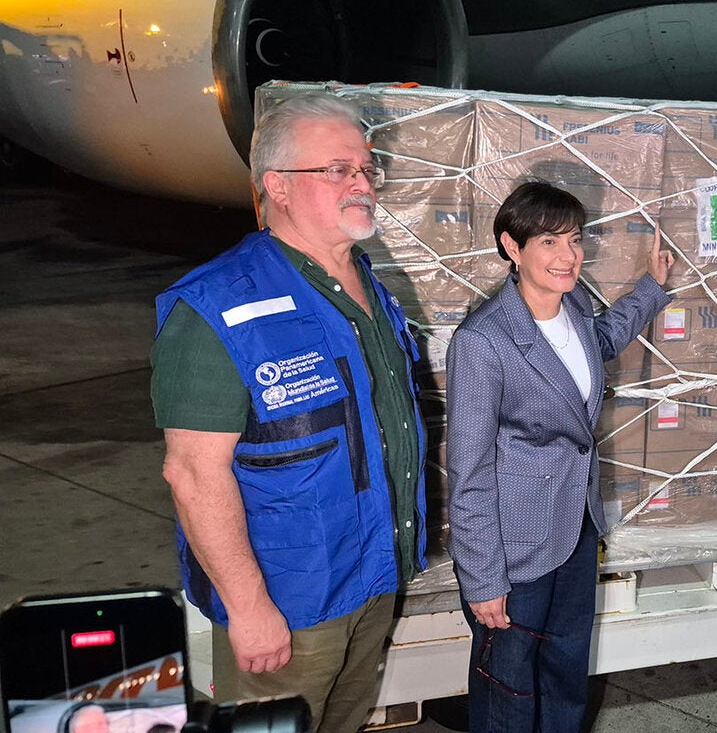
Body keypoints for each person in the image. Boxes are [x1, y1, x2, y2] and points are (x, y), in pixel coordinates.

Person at [151, 94, 425, 733]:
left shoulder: (368, 288)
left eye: (366, 167)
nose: (362, 182)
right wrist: (248, 609)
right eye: (337, 169)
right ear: (276, 186)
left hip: (373, 577)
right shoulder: (217, 307)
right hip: (290, 602)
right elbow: (193, 474)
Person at [445, 182, 673, 733]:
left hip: (575, 528)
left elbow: (602, 341)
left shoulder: (573, 303)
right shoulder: (483, 341)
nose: (568, 256)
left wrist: (651, 289)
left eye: (573, 239)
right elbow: (468, 472)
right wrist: (482, 580)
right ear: (512, 246)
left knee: (566, 673)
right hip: (515, 547)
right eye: (548, 241)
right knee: (509, 683)